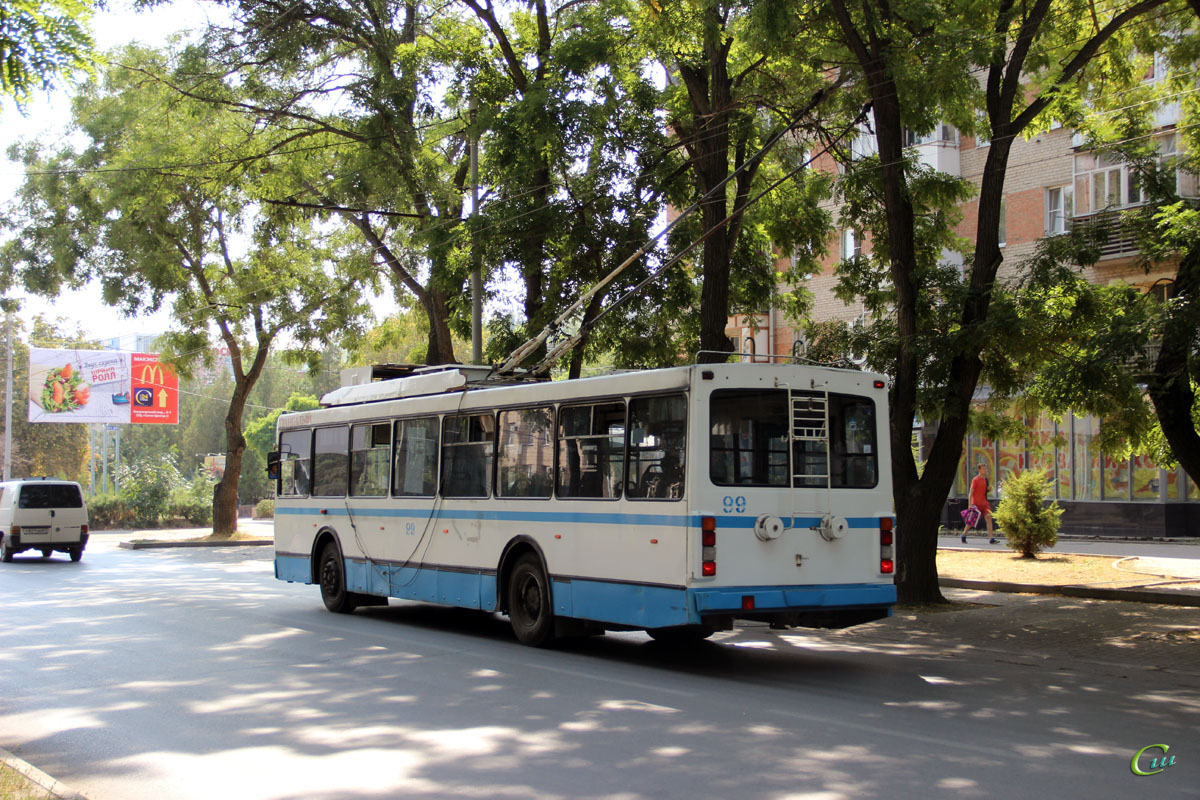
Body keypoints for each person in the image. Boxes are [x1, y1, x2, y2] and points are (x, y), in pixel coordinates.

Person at [962, 462, 998, 544]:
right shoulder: (975, 480)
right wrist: (970, 504)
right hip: (976, 504)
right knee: (971, 522)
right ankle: (963, 534)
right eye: (983, 469)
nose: (985, 470)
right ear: (979, 470)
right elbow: (971, 493)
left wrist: (989, 489)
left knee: (988, 517)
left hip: (984, 503)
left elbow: (984, 491)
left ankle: (991, 538)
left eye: (985, 469)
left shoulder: (985, 480)